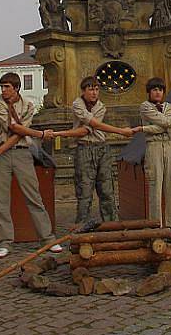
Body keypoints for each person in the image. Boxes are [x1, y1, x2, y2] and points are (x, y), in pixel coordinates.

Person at [0, 72, 60, 258]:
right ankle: (5, 242)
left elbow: (19, 134)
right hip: (3, 154)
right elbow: (14, 128)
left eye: (7, 87)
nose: (4, 90)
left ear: (16, 88)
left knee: (34, 196)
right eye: (2, 87)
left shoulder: (28, 105)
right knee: (2, 200)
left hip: (22, 152)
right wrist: (39, 134)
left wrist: (25, 134)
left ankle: (48, 239)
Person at [52, 76, 133, 224]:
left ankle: (111, 225)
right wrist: (121, 131)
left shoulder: (101, 106)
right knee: (84, 191)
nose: (94, 93)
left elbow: (90, 127)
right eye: (90, 89)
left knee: (107, 190)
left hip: (101, 147)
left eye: (96, 89)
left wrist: (61, 133)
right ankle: (82, 226)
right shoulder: (77, 104)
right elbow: (87, 129)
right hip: (84, 149)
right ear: (83, 91)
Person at [133, 77, 171, 244]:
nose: (157, 92)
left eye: (160, 89)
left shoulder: (169, 107)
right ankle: (156, 228)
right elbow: (163, 123)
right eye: (154, 89)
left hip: (169, 146)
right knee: (155, 187)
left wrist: (143, 128)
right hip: (153, 147)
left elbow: (165, 124)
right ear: (149, 92)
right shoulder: (145, 107)